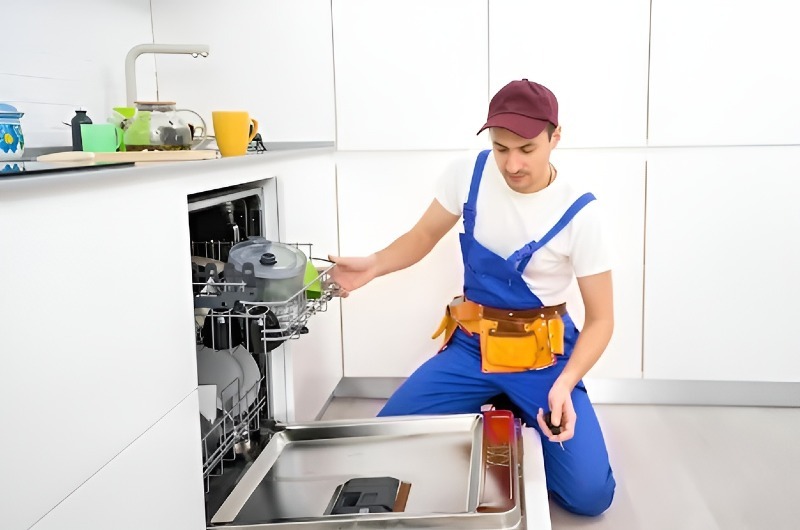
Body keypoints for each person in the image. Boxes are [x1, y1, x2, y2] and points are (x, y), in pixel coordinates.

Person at [328, 79, 616, 516]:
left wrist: (564, 384)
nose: (512, 164)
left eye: (526, 149)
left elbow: (601, 320)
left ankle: (516, 407)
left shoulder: (581, 212)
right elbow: (424, 234)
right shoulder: (470, 173)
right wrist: (373, 264)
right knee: (383, 445)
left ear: (556, 137)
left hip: (543, 358)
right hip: (471, 348)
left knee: (591, 496)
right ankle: (499, 404)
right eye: (502, 148)